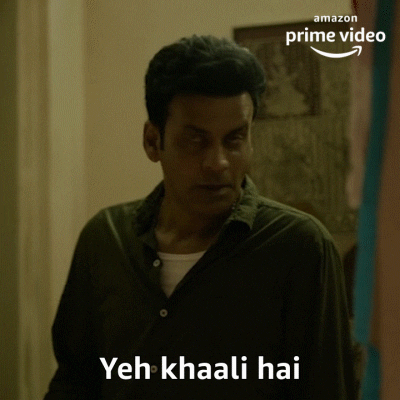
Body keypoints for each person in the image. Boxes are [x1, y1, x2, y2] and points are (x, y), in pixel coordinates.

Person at [44, 35, 356, 399]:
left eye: (234, 139)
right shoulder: (105, 240)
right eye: (196, 140)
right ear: (152, 141)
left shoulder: (299, 249)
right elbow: (73, 383)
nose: (218, 162)